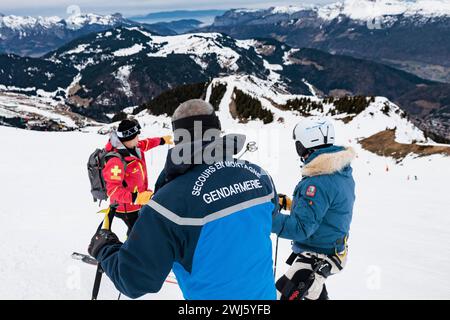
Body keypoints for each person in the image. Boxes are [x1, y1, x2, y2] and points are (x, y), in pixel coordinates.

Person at [88, 99, 278, 299]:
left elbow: (134, 281)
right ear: (218, 130)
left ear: (179, 139)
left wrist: (104, 248)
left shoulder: (167, 205)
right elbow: (264, 218)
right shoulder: (260, 176)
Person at [272, 117, 356, 300]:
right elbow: (325, 208)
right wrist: (290, 203)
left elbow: (300, 228)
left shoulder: (317, 182)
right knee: (313, 292)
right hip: (331, 249)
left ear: (305, 145)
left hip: (317, 256)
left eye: (298, 145)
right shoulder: (339, 171)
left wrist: (266, 217)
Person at [102, 118, 173, 235]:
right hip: (126, 208)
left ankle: (131, 249)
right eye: (136, 136)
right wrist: (136, 198)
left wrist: (162, 140)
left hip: (138, 203)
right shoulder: (115, 161)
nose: (138, 139)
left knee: (138, 233)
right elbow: (113, 190)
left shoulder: (133, 147)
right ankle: (129, 252)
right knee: (137, 235)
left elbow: (146, 144)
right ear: (127, 139)